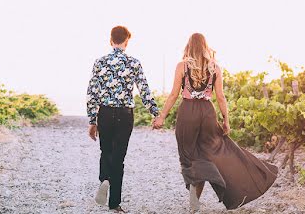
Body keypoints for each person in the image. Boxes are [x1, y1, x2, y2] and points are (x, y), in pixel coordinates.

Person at [153, 33, 278, 211]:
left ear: (188, 46)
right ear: (205, 47)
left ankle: (194, 191)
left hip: (188, 111)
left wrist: (162, 116)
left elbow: (173, 94)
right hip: (208, 112)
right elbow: (220, 97)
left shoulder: (182, 66)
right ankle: (199, 194)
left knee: (188, 155)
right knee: (211, 152)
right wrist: (226, 120)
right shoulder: (215, 68)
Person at [86, 25, 160, 212]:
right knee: (119, 157)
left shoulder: (100, 62)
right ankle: (114, 204)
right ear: (127, 41)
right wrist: (155, 113)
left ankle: (104, 179)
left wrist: (92, 121)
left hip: (104, 112)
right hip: (125, 114)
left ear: (111, 41)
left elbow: (92, 92)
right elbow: (144, 90)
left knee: (105, 150)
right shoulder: (133, 63)